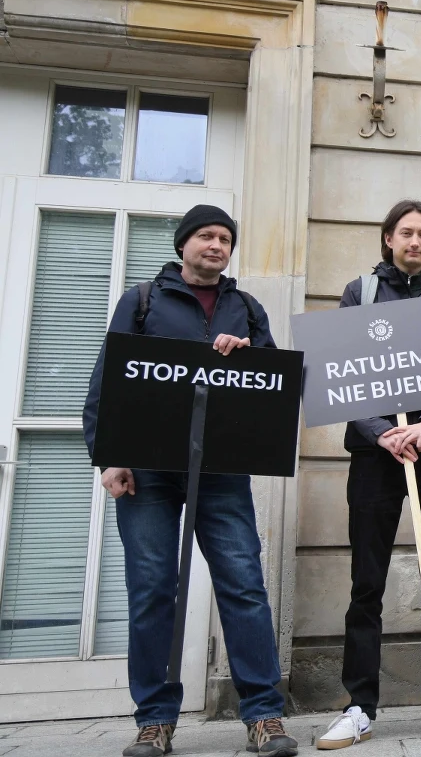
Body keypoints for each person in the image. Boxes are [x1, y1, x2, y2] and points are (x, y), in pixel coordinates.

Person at [83, 205, 298, 757]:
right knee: (153, 588)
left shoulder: (246, 308)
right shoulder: (142, 300)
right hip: (149, 472)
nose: (217, 245)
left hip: (223, 470)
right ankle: (155, 720)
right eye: (206, 235)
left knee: (244, 585)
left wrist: (250, 357)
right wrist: (107, 458)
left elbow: (277, 386)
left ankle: (264, 717)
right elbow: (108, 377)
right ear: (184, 244)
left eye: (226, 238)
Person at [317, 200, 421, 749]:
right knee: (367, 583)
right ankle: (359, 705)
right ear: (388, 238)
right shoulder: (359, 293)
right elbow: (338, 374)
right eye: (406, 232)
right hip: (374, 458)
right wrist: (381, 431)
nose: (415, 241)